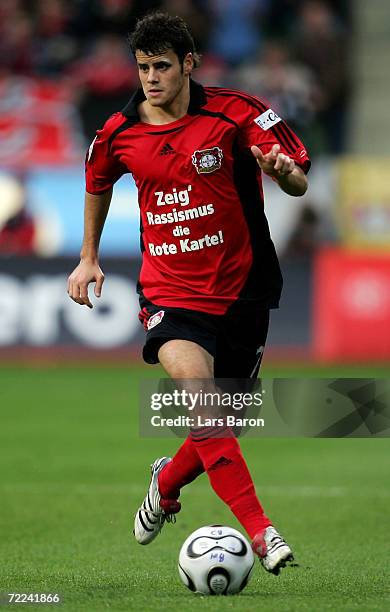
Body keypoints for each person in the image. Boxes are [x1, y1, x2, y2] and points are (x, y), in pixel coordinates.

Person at [67, 12, 310, 575]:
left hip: (243, 288)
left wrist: (281, 173)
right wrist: (88, 257)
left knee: (230, 416)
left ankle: (167, 481)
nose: (150, 78)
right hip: (169, 293)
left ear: (189, 64)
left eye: (162, 66)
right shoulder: (118, 132)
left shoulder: (236, 112)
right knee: (202, 400)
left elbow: (297, 176)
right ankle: (262, 532)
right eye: (143, 67)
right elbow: (97, 181)